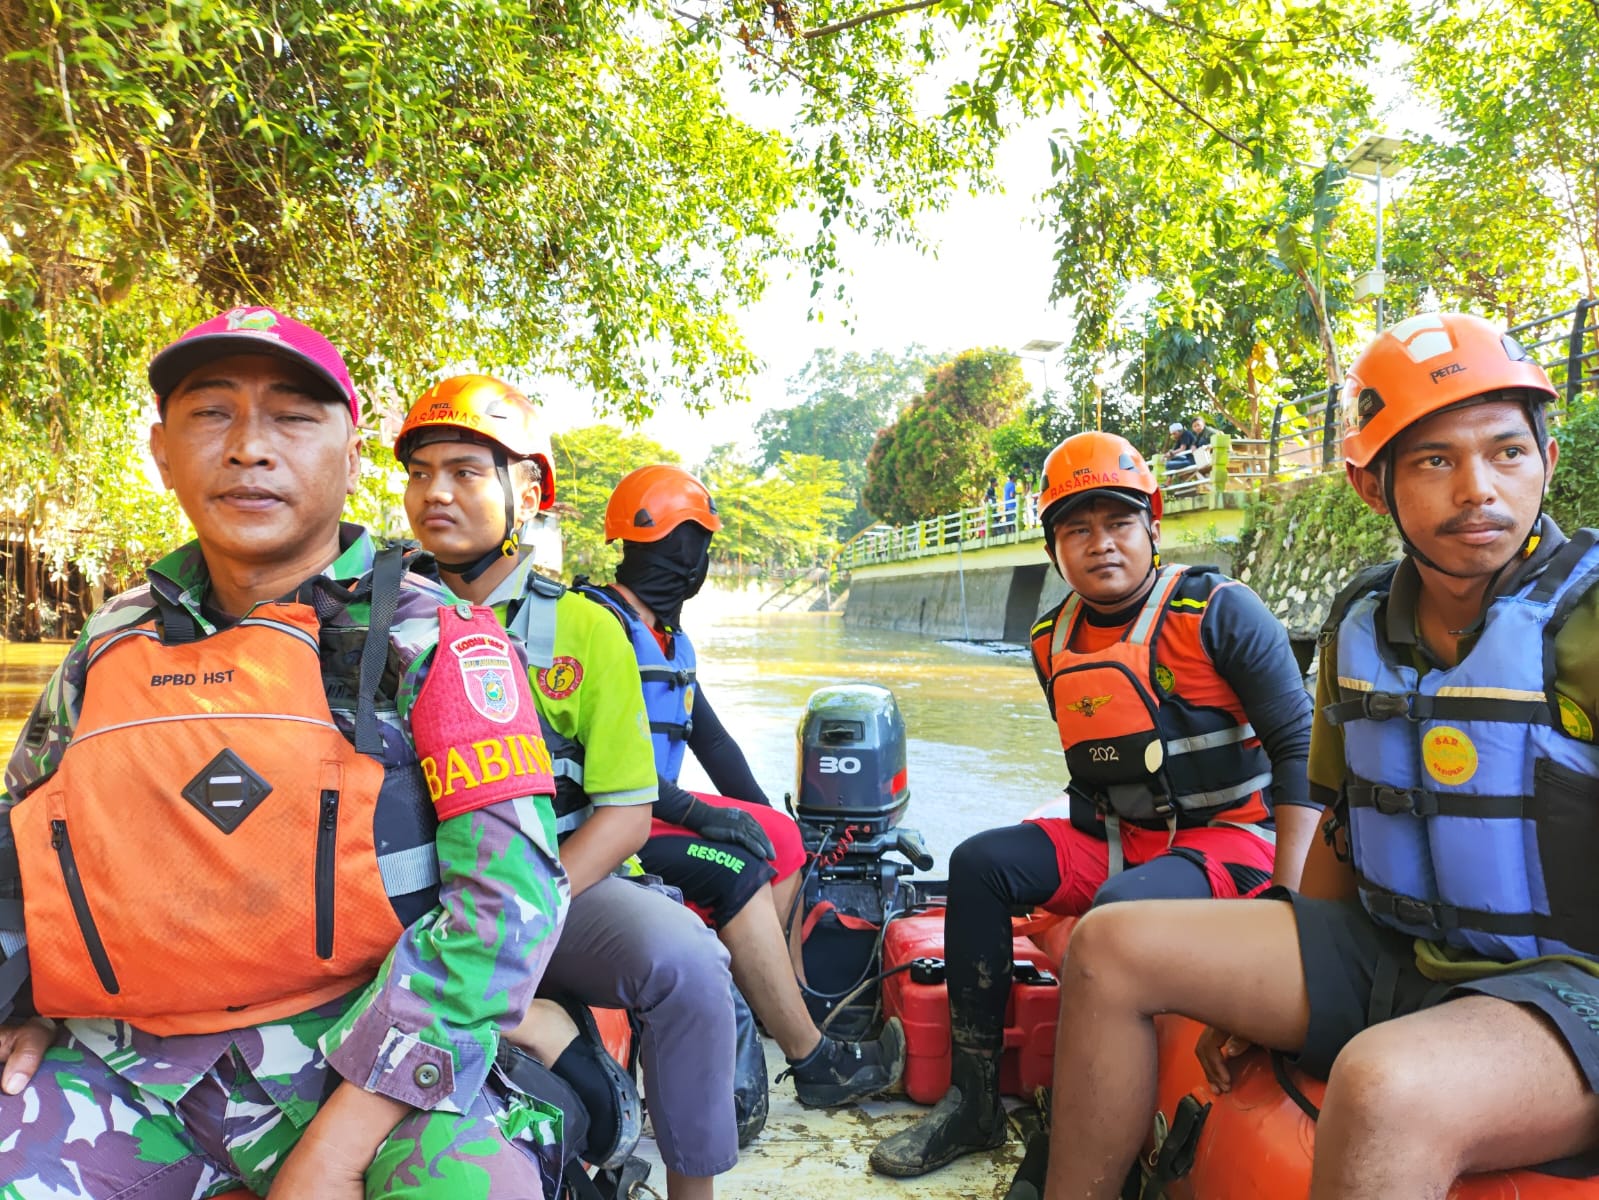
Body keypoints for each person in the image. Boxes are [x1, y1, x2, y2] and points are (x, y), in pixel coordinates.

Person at [0, 308, 568, 1199]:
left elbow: (510, 904)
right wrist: (23, 1004)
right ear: (160, 451)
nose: (249, 449)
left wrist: (338, 1147)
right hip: (124, 1066)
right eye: (212, 414)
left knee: (472, 1186)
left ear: (349, 458)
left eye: (294, 418)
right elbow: (23, 844)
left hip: (365, 1063)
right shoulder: (109, 639)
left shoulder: (438, 640)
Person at [1040, 313, 1599, 1200]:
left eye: (1506, 453)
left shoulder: (1587, 621)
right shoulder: (1362, 624)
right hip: (1394, 949)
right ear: (1369, 486)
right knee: (1109, 945)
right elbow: (1347, 825)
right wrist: (1284, 970)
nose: (1477, 490)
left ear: (1548, 461)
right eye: (1432, 461)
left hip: (1570, 989)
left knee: (1382, 1087)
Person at [869, 430, 1317, 1181]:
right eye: (1076, 529)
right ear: (1053, 548)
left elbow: (1300, 750)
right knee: (978, 865)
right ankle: (974, 1103)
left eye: (1116, 523)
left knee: (1113, 915)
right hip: (1114, 835)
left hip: (1229, 840)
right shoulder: (1051, 640)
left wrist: (1290, 904)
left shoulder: (1217, 611)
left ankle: (1067, 1139)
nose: (1099, 544)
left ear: (1152, 525)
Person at [394, 377, 738, 1200]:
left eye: (466, 472)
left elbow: (625, 813)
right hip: (407, 891)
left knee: (690, 963)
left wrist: (522, 910)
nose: (435, 492)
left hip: (556, 884)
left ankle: (693, 1186)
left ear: (527, 491)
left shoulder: (584, 629)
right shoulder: (367, 618)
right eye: (418, 472)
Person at [576, 465, 906, 1108]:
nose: (696, 560)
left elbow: (713, 741)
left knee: (781, 837)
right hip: (613, 817)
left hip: (656, 809)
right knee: (743, 865)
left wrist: (764, 812)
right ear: (662, 548)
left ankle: (791, 1007)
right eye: (691, 543)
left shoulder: (670, 638)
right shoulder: (600, 625)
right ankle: (806, 1055)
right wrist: (704, 816)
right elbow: (601, 766)